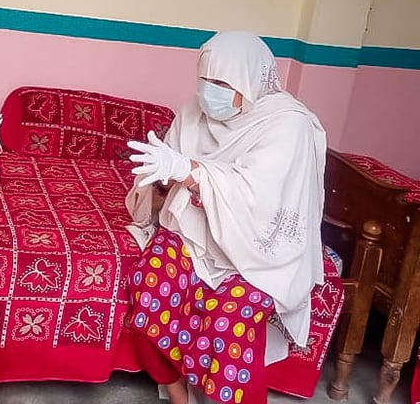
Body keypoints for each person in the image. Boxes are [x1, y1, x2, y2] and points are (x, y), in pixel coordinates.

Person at [125, 31, 326, 403]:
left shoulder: (288, 125)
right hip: (196, 233)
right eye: (204, 79)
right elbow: (172, 168)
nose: (207, 92)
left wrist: (190, 171)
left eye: (220, 82)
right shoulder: (194, 109)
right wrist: (164, 176)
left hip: (258, 254)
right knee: (150, 289)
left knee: (227, 324)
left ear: (250, 81)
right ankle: (177, 394)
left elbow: (260, 197)